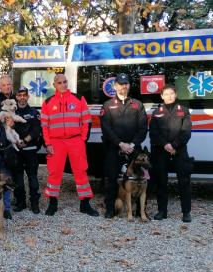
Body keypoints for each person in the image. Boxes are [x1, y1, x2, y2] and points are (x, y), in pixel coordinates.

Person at [41, 74, 99, 216]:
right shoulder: (48, 102)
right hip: (55, 142)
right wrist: (47, 143)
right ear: (54, 85)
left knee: (81, 171)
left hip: (75, 141)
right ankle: (52, 204)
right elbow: (44, 126)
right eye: (59, 82)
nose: (63, 85)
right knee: (54, 173)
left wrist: (82, 139)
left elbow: (86, 120)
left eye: (65, 82)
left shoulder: (78, 99)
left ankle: (85, 204)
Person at [101, 73, 148, 218]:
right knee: (111, 178)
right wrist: (120, 144)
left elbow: (143, 128)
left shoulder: (137, 104)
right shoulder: (107, 105)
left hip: (134, 149)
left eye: (126, 83)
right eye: (121, 84)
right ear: (115, 86)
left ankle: (141, 211)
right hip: (114, 147)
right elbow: (106, 128)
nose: (124, 86)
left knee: (142, 178)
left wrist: (132, 144)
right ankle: (110, 209)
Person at [149, 85, 193, 222]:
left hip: (179, 151)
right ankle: (162, 211)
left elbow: (186, 132)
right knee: (161, 182)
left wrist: (174, 145)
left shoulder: (184, 111)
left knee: (184, 182)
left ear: (176, 94)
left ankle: (186, 212)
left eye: (171, 93)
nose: (169, 96)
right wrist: (166, 145)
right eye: (166, 94)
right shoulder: (156, 112)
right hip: (161, 151)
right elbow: (153, 133)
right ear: (161, 96)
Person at [12, 86, 42, 214]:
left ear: (28, 96)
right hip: (16, 150)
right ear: (16, 97)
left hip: (30, 149)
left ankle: (34, 203)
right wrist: (17, 142)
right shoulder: (11, 112)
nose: (22, 97)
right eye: (20, 95)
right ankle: (21, 203)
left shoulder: (34, 112)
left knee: (33, 178)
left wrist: (25, 140)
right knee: (18, 179)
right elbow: (9, 129)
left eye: (24, 95)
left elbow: (36, 129)